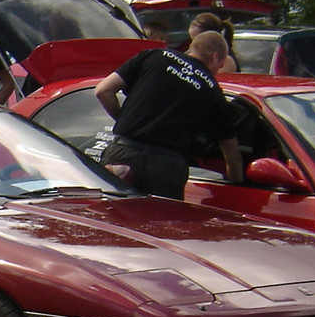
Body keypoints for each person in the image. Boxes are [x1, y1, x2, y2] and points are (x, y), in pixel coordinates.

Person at [95, 31, 243, 200]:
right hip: (166, 167)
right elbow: (232, 153)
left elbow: (103, 90)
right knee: (157, 223)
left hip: (123, 153)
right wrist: (236, 189)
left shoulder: (154, 56)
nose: (218, 71)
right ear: (216, 56)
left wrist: (127, 122)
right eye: (221, 65)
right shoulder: (212, 90)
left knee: (111, 219)